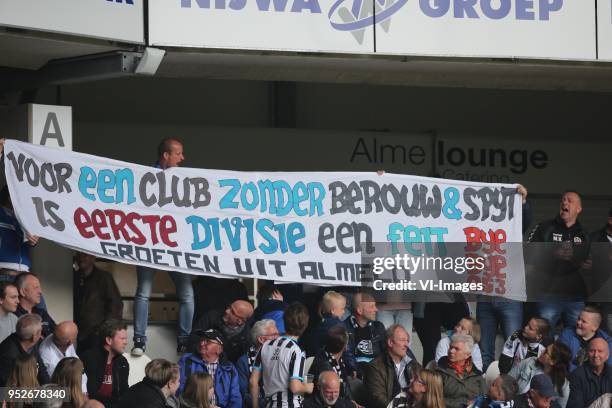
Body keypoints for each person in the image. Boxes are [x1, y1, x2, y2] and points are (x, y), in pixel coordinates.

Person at [132, 137, 194, 355]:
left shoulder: (186, 180)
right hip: (150, 244)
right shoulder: (144, 177)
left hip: (175, 246)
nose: (182, 158)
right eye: (178, 154)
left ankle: (184, 340)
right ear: (166, 155)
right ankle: (139, 340)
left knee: (187, 295)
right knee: (143, 292)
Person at [477, 184, 531, 371]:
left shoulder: (511, 225)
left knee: (514, 348)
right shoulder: (477, 226)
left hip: (510, 297)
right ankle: (486, 390)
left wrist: (522, 203)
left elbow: (523, 221)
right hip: (485, 296)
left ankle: (512, 392)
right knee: (485, 350)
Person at [527, 191, 590, 329]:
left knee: (576, 336)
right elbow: (528, 255)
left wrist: (587, 264)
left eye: (570, 201)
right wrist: (553, 254)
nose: (564, 203)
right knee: (544, 335)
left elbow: (593, 262)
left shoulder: (585, 234)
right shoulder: (544, 228)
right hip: (547, 295)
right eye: (563, 200)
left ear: (579, 209)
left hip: (575, 297)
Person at [250, 302, 313, 408]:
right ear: (305, 325)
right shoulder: (297, 350)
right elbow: (295, 387)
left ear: (284, 321)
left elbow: (253, 381)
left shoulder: (266, 346)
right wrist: (308, 387)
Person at [177, 329, 241, 408]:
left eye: (207, 341)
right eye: (201, 340)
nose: (201, 343)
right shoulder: (187, 361)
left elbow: (235, 398)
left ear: (219, 349)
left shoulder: (229, 368)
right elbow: (180, 390)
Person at [73, 252, 123, 352]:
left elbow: (115, 305)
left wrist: (104, 331)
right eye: (79, 255)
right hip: (77, 334)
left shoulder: (104, 278)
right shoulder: (73, 277)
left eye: (85, 255)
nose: (81, 258)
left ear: (93, 257)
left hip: (97, 335)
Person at [363, 324, 421, 408]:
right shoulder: (375, 367)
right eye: (402, 340)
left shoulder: (413, 365)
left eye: (407, 341)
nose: (406, 345)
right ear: (390, 342)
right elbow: (378, 399)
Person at [80, 319, 129, 407]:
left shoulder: (123, 362)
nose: (126, 342)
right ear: (109, 340)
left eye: (126, 339)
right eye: (122, 339)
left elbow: (124, 391)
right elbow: (91, 393)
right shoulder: (89, 358)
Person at [509, 341, 572, 408]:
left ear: (553, 361)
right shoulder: (530, 362)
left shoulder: (563, 387)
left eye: (546, 352)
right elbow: (507, 381)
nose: (542, 350)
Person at [434, 333, 486, 408]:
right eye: (450, 347)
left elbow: (485, 398)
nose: (451, 351)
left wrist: (476, 403)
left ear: (467, 355)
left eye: (456, 349)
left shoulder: (477, 375)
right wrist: (462, 405)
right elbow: (434, 398)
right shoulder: (440, 371)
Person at [236, 319, 279, 408]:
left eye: (278, 334)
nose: (278, 338)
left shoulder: (281, 357)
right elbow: (243, 393)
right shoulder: (243, 362)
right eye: (274, 335)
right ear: (261, 339)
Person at [344, 291, 387, 376]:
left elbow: (387, 352)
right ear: (359, 310)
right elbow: (346, 355)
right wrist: (354, 369)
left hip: (377, 374)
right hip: (354, 376)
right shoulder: (344, 328)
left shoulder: (379, 327)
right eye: (371, 306)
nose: (376, 309)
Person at [0, 314, 50, 386]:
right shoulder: (8, 354)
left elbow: (41, 370)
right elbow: (6, 385)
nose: (41, 336)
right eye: (40, 332)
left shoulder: (31, 343)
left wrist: (49, 389)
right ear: (34, 337)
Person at [39, 321, 88, 394]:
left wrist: (84, 391)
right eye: (76, 336)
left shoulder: (62, 340)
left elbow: (78, 365)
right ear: (70, 342)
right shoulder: (49, 360)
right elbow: (58, 387)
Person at [558, 306, 612, 371]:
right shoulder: (567, 334)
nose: (578, 322)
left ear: (594, 327)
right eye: (578, 319)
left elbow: (608, 367)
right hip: (571, 374)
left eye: (583, 321)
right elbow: (560, 360)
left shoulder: (607, 342)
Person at [0, 185, 39, 274]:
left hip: (24, 270)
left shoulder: (23, 218)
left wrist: (33, 241)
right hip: (3, 268)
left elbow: (27, 241)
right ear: (10, 197)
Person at [310, 325, 352, 401]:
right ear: (345, 347)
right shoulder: (324, 366)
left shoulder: (338, 361)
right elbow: (330, 398)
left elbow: (346, 387)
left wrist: (352, 402)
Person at [566, 338, 612, 408]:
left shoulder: (610, 373)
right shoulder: (577, 375)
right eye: (592, 351)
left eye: (600, 351)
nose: (596, 355)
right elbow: (575, 405)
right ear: (587, 353)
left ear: (607, 355)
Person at [303, 291, 346, 357]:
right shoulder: (339, 326)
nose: (344, 312)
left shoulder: (319, 323)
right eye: (342, 309)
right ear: (333, 311)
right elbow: (346, 350)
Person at [14, 272, 56, 338]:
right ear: (22, 292)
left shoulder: (42, 312)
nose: (40, 292)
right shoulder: (13, 315)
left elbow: (57, 333)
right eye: (36, 287)